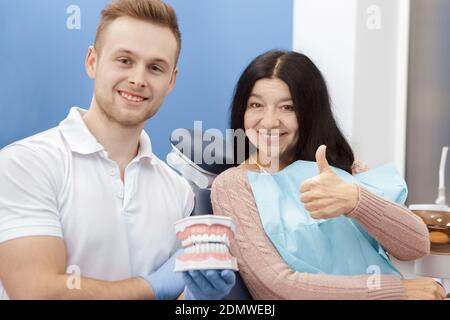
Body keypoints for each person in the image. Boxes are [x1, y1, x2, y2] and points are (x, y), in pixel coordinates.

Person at [0, 0, 234, 300]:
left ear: (171, 80)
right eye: (124, 60)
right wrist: (153, 287)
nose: (138, 79)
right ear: (92, 61)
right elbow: (38, 293)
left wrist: (195, 300)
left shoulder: (177, 190)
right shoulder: (25, 165)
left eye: (155, 67)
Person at [211, 50, 446, 300]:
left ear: (311, 112)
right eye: (256, 105)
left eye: (287, 107)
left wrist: (356, 201)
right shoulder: (233, 186)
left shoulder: (344, 171)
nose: (269, 121)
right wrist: (394, 292)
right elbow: (275, 288)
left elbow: (414, 246)